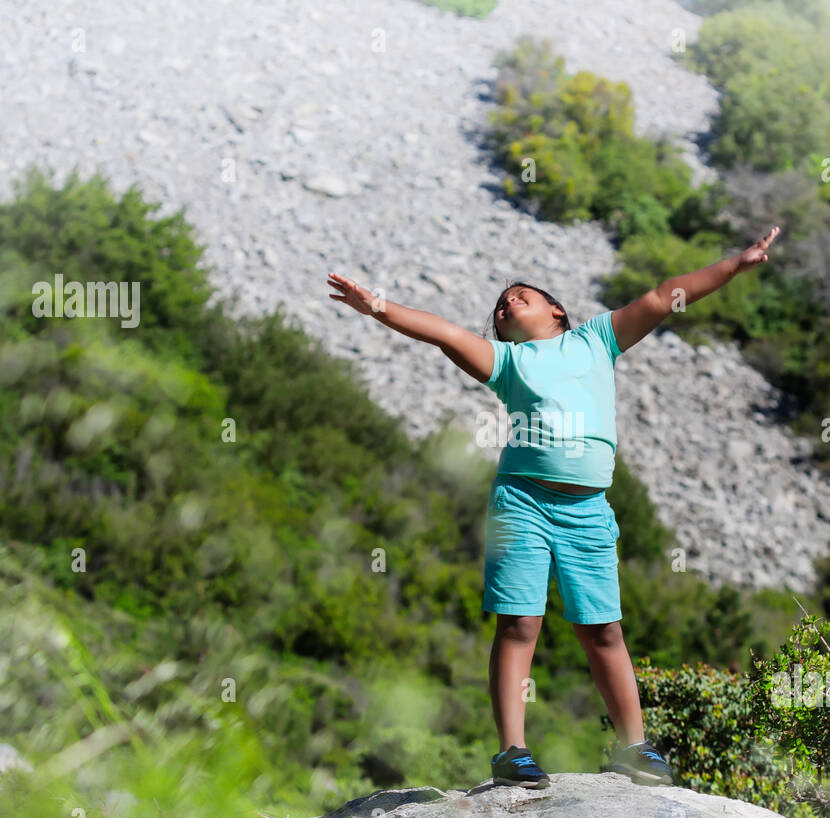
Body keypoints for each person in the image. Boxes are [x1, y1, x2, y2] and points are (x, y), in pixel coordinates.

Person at [327, 225, 779, 789]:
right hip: (522, 505)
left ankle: (634, 747)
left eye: (522, 294)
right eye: (500, 305)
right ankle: (512, 751)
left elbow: (664, 297)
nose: (508, 301)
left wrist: (736, 264)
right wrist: (377, 307)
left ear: (557, 310)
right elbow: (442, 332)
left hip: (588, 511)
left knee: (604, 632)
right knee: (520, 624)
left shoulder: (596, 341)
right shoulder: (507, 362)